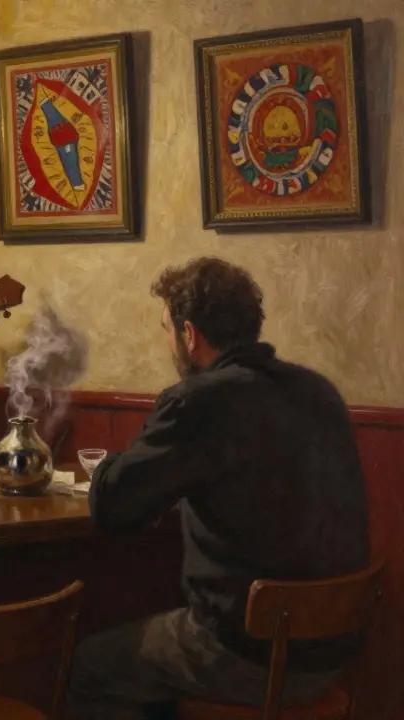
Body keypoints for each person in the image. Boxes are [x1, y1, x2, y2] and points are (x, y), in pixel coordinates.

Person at [68, 258, 370, 719]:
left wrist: (107, 463)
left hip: (249, 657)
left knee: (92, 666)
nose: (168, 343)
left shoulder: (200, 401)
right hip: (334, 648)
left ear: (190, 335)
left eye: (167, 330)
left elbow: (113, 505)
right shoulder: (317, 390)